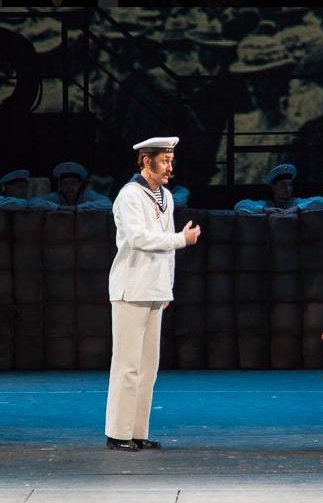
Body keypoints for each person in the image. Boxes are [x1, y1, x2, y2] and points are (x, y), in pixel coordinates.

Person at [105, 136, 201, 452]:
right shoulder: (130, 195)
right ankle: (118, 432)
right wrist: (181, 240)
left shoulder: (166, 197)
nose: (170, 167)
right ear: (147, 161)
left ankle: (137, 430)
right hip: (131, 287)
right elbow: (138, 238)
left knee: (148, 366)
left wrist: (167, 286)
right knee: (127, 364)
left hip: (153, 288)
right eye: (164, 161)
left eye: (171, 160)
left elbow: (165, 250)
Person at [234, 163, 323, 214]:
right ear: (273, 188)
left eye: (290, 185)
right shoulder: (266, 205)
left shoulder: (296, 202)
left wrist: (297, 208)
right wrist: (265, 209)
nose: (288, 189)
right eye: (283, 185)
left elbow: (322, 202)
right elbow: (239, 206)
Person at [34, 162, 112, 211]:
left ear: (80, 184)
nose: (69, 187)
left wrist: (78, 207)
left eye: (73, 183)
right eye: (65, 184)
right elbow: (33, 202)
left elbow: (107, 203)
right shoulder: (56, 196)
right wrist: (58, 207)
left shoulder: (87, 195)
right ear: (60, 185)